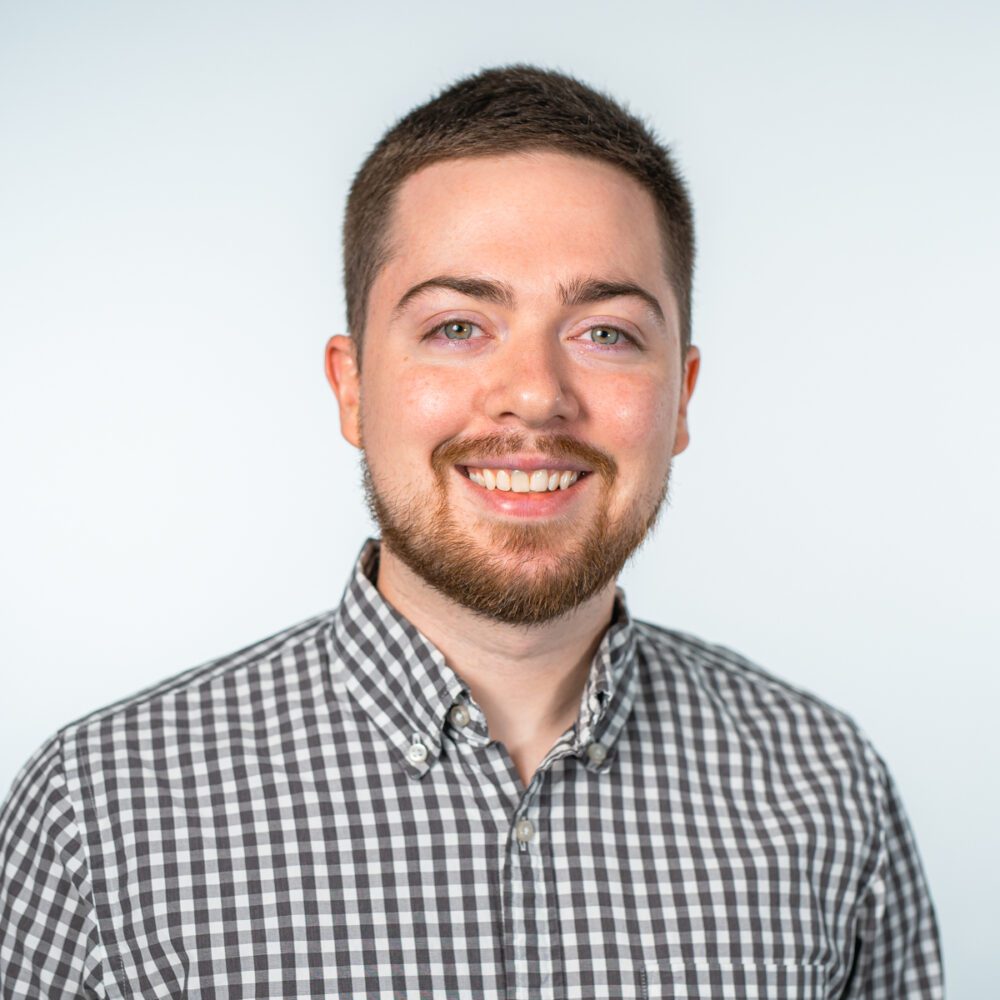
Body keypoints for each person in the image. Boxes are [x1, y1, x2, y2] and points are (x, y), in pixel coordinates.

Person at [0, 66, 942, 999]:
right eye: (458, 326)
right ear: (353, 388)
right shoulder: (99, 815)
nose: (534, 394)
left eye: (606, 332)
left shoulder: (829, 787)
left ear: (681, 398)